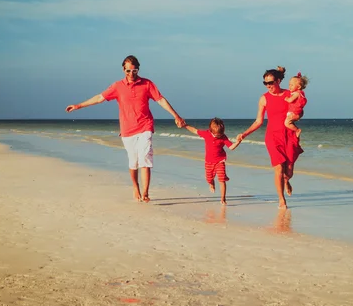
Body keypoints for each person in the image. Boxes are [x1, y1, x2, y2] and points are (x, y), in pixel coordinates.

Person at [65, 55, 185, 202]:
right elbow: (99, 98)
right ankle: (136, 187)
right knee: (133, 162)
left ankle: (146, 193)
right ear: (123, 69)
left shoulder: (147, 84)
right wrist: (78, 106)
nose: (131, 74)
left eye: (134, 71)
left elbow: (160, 99)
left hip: (145, 126)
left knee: (145, 158)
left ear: (138, 69)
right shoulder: (117, 86)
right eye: (128, 71)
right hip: (127, 129)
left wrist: (176, 115)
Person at [236, 66, 303, 209]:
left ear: (278, 81)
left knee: (288, 172)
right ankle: (281, 200)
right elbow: (259, 121)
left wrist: (297, 117)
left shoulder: (289, 94)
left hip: (289, 135)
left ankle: (286, 181)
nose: (268, 86)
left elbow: (299, 110)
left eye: (271, 83)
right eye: (265, 83)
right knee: (278, 168)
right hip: (272, 136)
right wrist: (244, 134)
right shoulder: (264, 99)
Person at [183, 117, 241, 205]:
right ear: (211, 131)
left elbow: (231, 147)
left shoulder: (223, 137)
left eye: (220, 135)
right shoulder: (206, 134)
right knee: (209, 178)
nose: (219, 136)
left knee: (222, 179)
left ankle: (223, 199)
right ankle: (211, 184)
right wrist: (185, 125)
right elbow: (195, 131)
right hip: (209, 161)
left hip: (220, 161)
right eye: (217, 135)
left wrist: (238, 142)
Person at [284, 72, 309, 138]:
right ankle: (294, 130)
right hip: (299, 112)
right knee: (291, 122)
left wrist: (286, 98)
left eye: (291, 85)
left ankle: (297, 130)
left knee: (287, 123)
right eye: (289, 84)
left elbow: (290, 100)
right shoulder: (301, 93)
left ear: (299, 87)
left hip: (294, 112)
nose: (289, 86)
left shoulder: (297, 93)